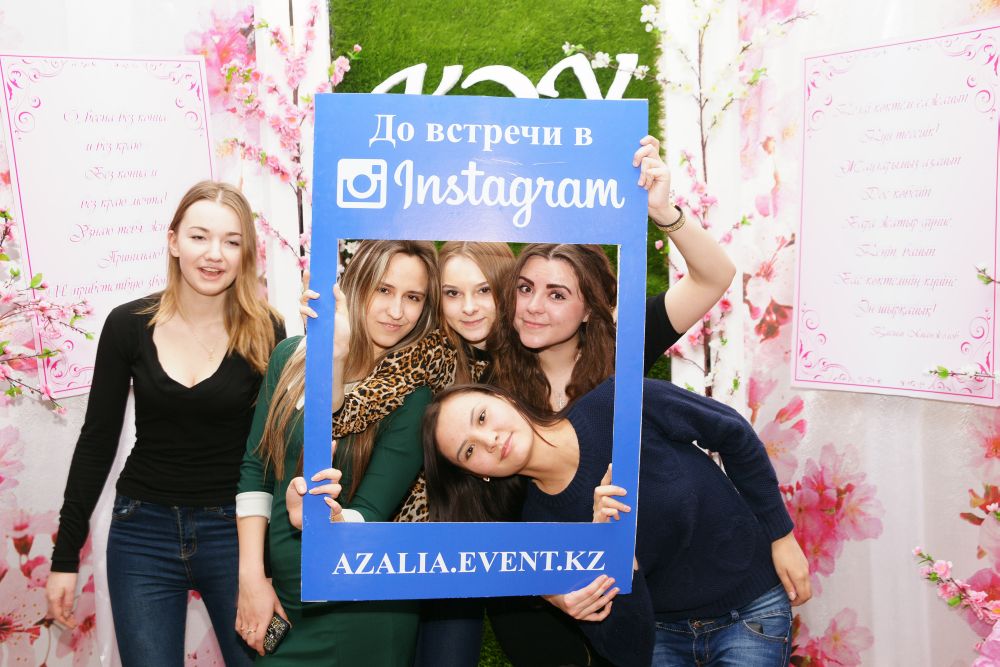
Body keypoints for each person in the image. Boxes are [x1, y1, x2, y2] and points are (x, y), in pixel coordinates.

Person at [45, 181, 285, 667]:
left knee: (272, 657)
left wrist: (264, 566)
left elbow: (272, 452)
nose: (214, 254)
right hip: (142, 532)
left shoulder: (268, 330)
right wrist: (64, 559)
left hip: (235, 533)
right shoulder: (127, 324)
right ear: (174, 242)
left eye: (231, 241)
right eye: (199, 237)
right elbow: (96, 443)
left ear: (246, 254)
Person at [422, 378, 812, 667]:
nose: (488, 439)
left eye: (482, 417)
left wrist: (780, 534)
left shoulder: (615, 403)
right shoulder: (542, 534)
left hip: (750, 610)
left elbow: (731, 432)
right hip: (664, 640)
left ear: (504, 398)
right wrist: (612, 551)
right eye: (469, 450)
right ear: (478, 475)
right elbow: (627, 652)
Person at [235, 240, 438, 664]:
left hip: (359, 606)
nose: (396, 311)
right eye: (384, 290)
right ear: (355, 285)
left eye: (413, 297)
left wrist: (328, 518)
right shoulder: (290, 357)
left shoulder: (412, 394)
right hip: (283, 595)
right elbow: (257, 469)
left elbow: (370, 512)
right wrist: (252, 577)